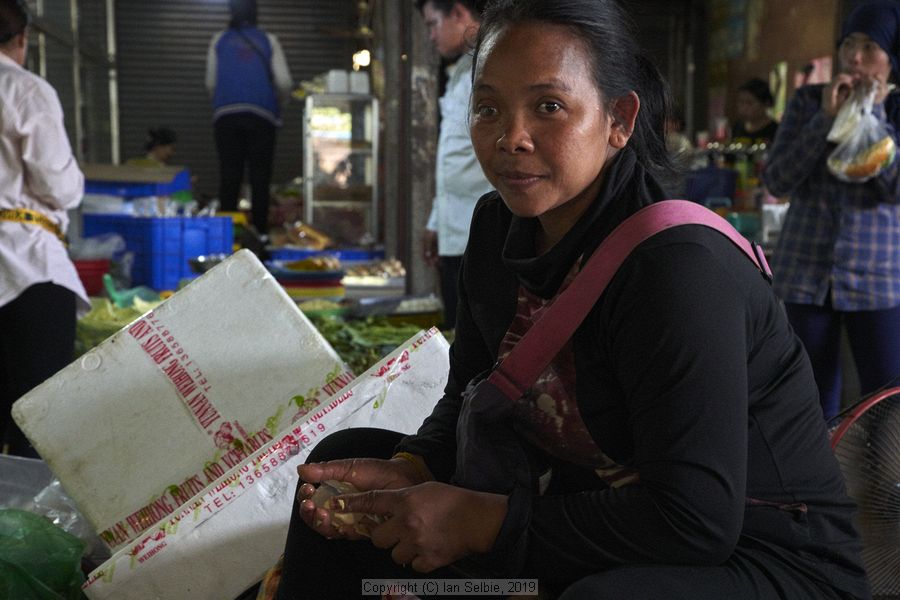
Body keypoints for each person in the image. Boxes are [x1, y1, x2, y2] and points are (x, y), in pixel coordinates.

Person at [275, 1, 870, 599]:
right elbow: (472, 393)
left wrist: (479, 523)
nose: (511, 137)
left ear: (619, 118)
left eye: (549, 106)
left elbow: (694, 521)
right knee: (350, 469)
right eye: (488, 109)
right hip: (587, 497)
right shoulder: (493, 227)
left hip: (759, 554)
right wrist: (415, 467)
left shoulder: (676, 269)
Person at [763, 0, 900, 421]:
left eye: (870, 48)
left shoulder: (896, 109)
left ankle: (887, 484)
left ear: (892, 58)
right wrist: (825, 119)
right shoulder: (807, 101)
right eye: (848, 45)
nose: (855, 58)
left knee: (886, 398)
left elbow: (894, 189)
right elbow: (778, 180)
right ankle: (813, 482)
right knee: (808, 396)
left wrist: (872, 114)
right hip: (806, 274)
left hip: (878, 277)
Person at [0, 0, 89, 457]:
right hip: (26, 265)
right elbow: (59, 185)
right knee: (35, 421)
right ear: (21, 39)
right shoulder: (23, 88)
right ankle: (23, 523)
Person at [418, 0, 493, 330]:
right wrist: (437, 220)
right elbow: (454, 156)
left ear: (459, 13)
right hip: (456, 231)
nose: (431, 36)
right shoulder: (463, 70)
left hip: (481, 236)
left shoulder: (492, 68)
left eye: (433, 24)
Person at [205, 0, 293, 236]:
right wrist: (278, 106)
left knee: (229, 175)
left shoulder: (218, 40)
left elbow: (211, 83)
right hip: (262, 116)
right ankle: (260, 236)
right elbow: (284, 83)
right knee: (260, 178)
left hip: (226, 116)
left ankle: (227, 237)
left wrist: (223, 103)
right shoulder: (269, 40)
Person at [732, 77, 779, 147]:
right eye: (741, 102)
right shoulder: (737, 128)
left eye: (749, 103)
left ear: (766, 104)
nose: (744, 108)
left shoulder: (777, 131)